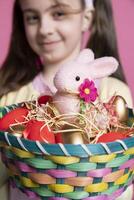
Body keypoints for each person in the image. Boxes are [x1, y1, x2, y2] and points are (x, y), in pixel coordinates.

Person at [0, 0, 133, 199]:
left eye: (59, 13)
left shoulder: (112, 92)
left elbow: (123, 176)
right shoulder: (10, 97)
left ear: (86, 18)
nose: (44, 29)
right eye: (33, 17)